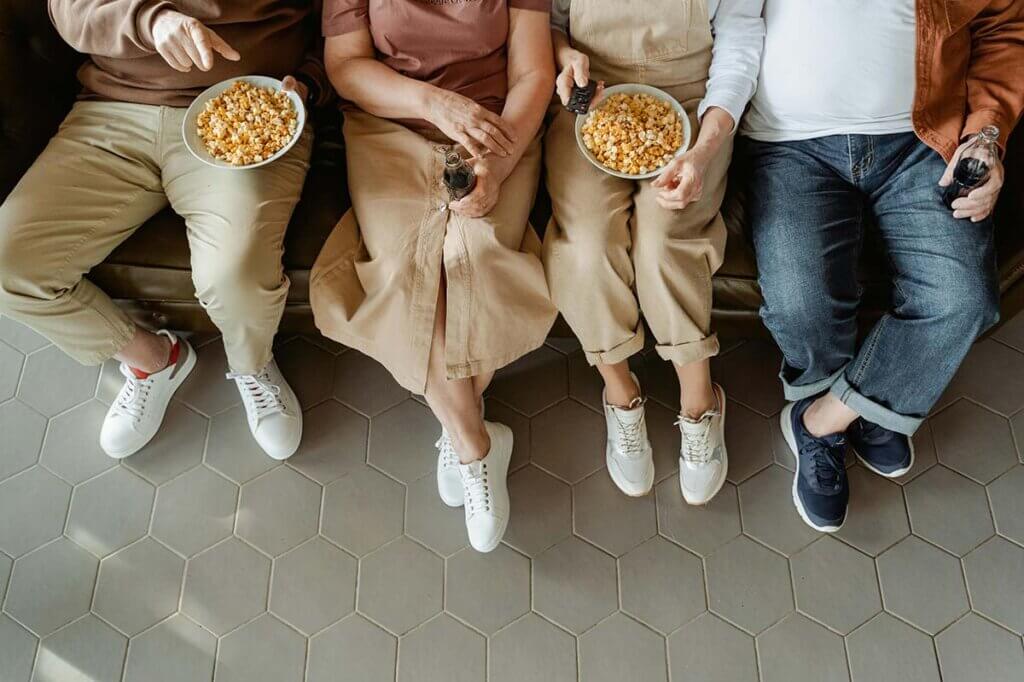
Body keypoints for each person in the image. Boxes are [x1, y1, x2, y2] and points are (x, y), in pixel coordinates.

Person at [0, 1, 331, 461]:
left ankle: (252, 365)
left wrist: (311, 81)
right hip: (115, 109)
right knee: (9, 263)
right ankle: (154, 360)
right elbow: (68, 10)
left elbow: (344, 20)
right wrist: (147, 20)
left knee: (233, 275)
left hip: (245, 105)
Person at [741, 0, 1024, 532]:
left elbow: (1007, 27)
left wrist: (986, 136)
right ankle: (873, 403)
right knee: (801, 301)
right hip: (789, 145)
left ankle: (825, 416)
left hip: (922, 139)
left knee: (961, 299)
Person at [311, 0, 557, 552]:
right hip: (388, 127)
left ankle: (455, 419)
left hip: (497, 130)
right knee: (405, 268)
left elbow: (533, 72)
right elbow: (346, 66)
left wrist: (501, 161)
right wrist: (432, 102)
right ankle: (473, 442)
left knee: (474, 260)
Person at [544, 1, 764, 502]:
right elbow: (552, 21)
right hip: (592, 100)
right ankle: (620, 390)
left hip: (693, 101)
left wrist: (704, 149)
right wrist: (565, 58)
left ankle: (698, 399)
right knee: (586, 246)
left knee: (665, 241)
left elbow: (739, 46)